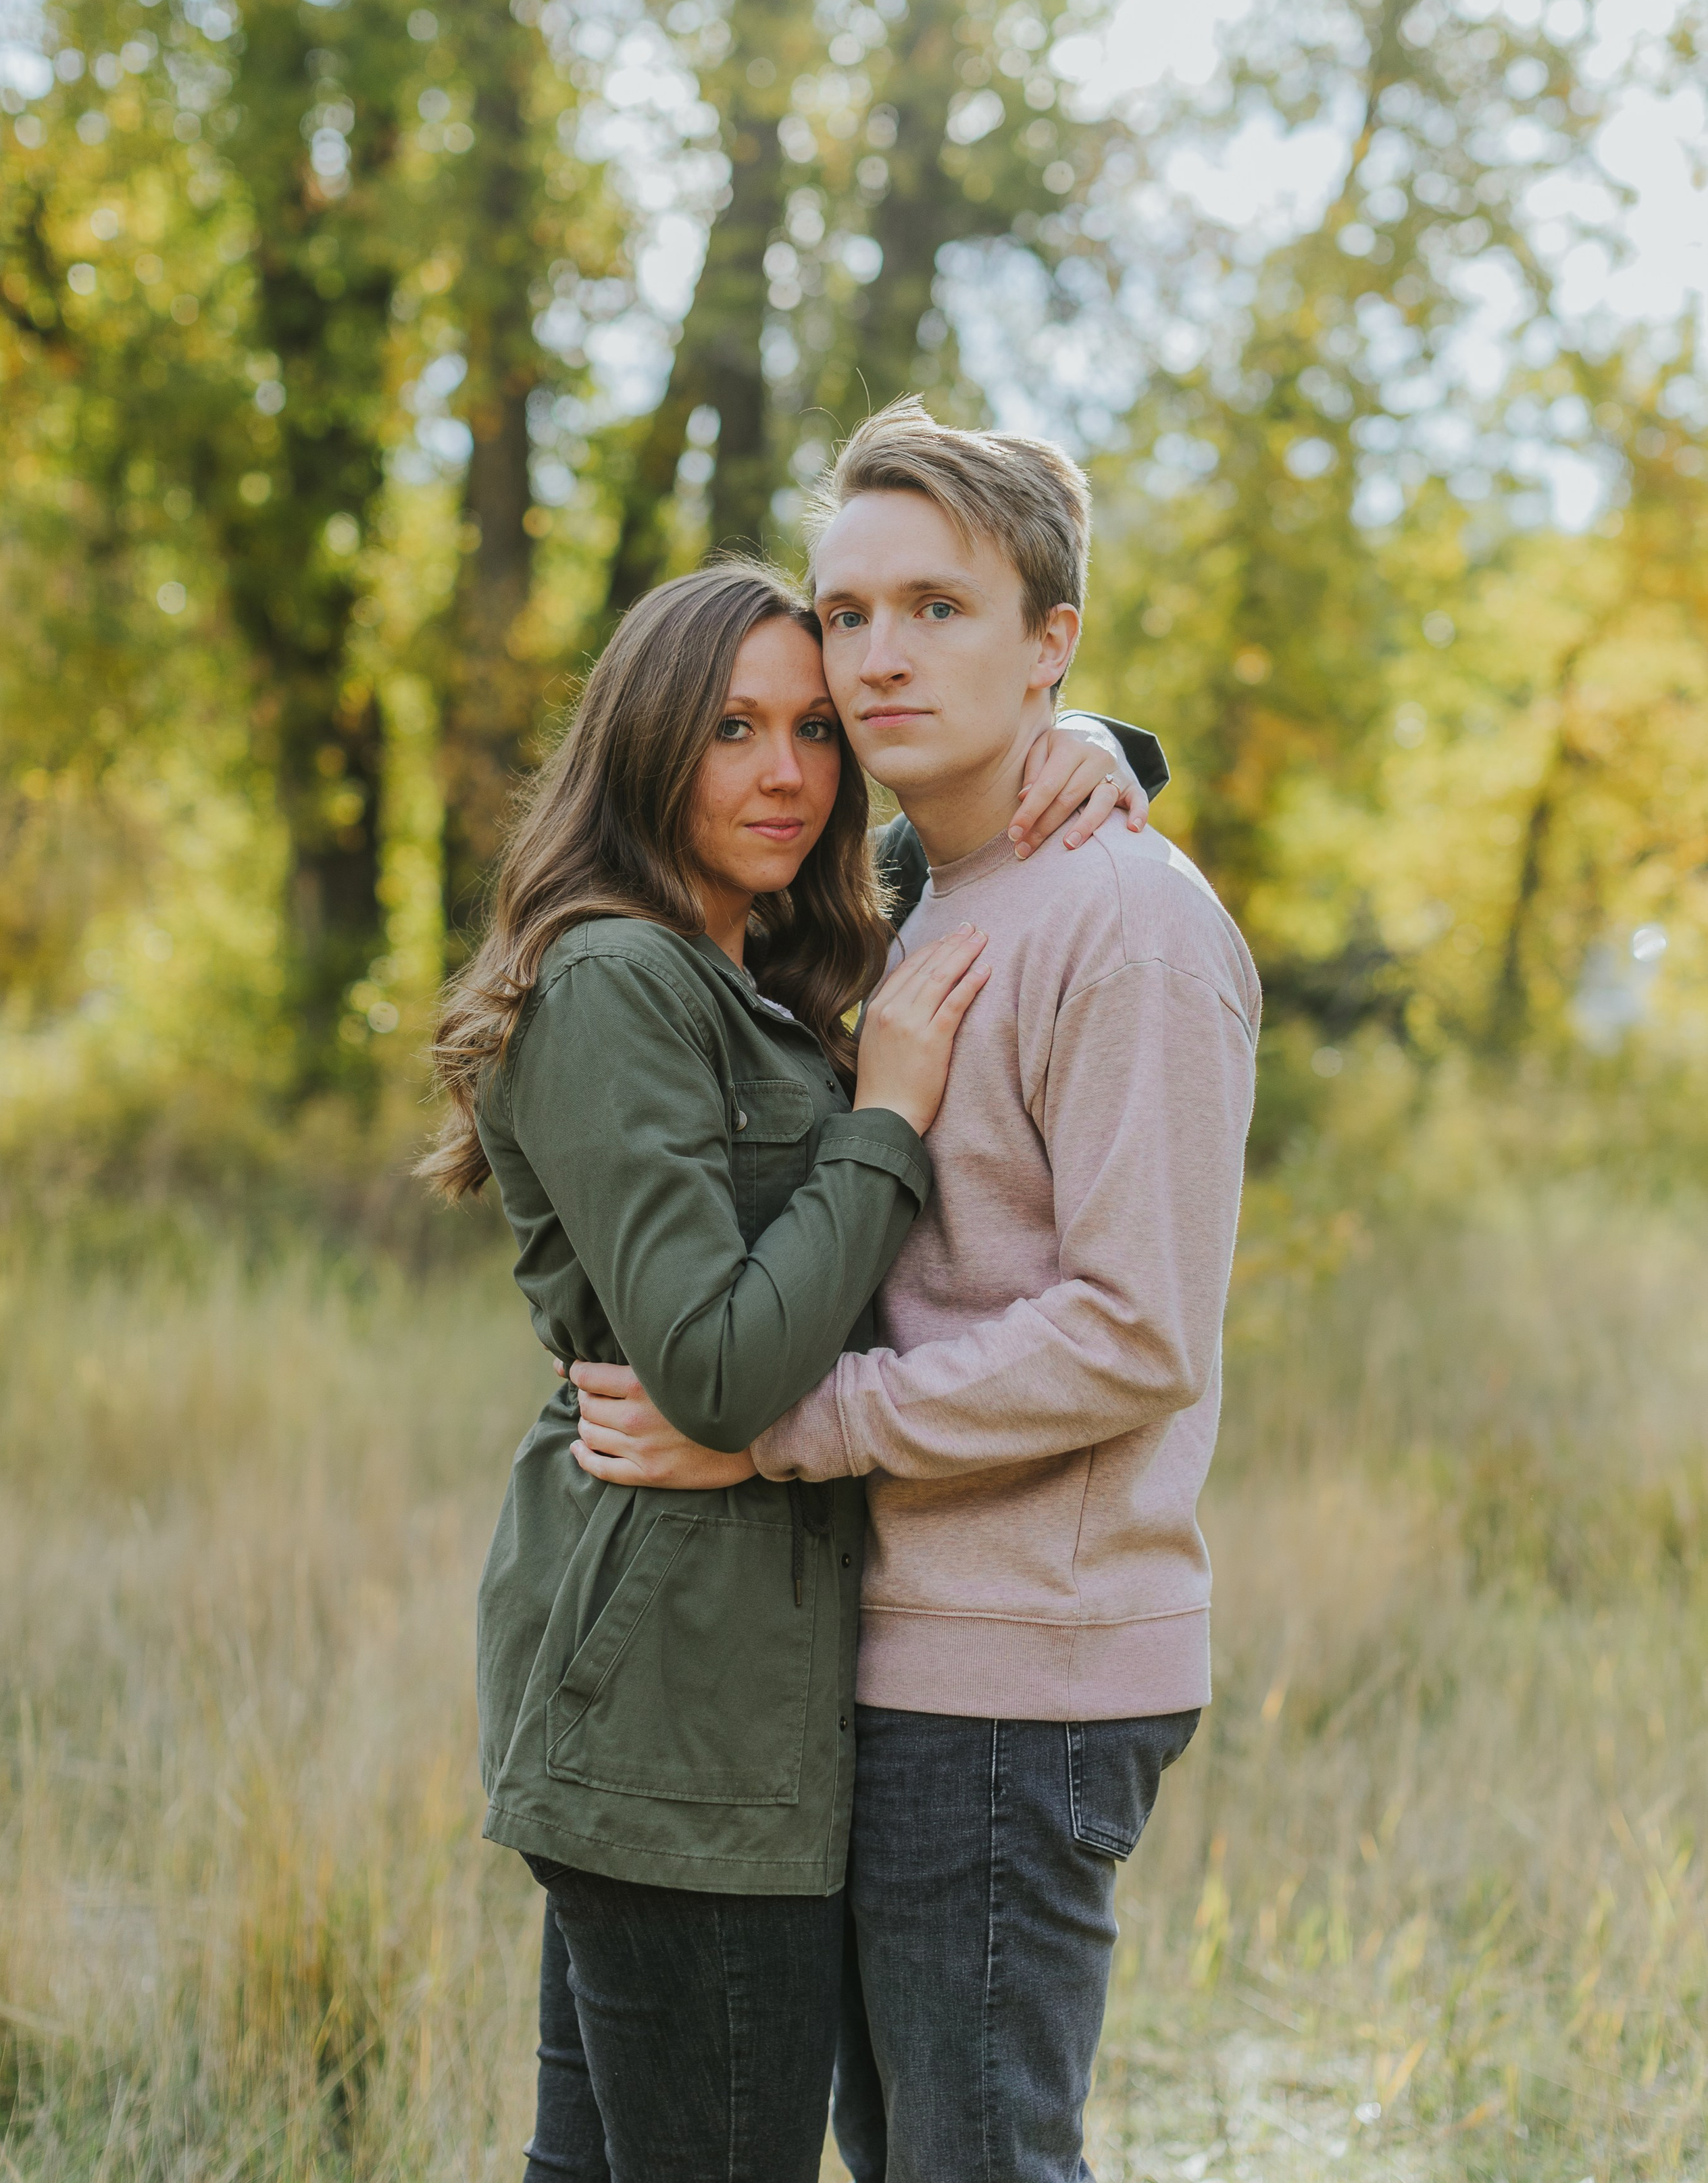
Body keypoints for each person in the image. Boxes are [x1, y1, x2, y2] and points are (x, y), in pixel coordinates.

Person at [572, 401, 1261, 2183]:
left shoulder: (1134, 927)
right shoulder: (917, 891)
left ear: (1052, 640)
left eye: (938, 608)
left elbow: (1136, 1328)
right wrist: (1093, 741)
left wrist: (784, 1434)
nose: (879, 655)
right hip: (901, 1653)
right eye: (850, 609)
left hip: (1026, 1670)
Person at [419, 559, 1155, 2183]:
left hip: (702, 1687)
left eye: (815, 730)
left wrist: (1090, 733)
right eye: (731, 727)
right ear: (642, 744)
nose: (784, 772)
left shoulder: (744, 954)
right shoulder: (619, 977)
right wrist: (883, 1115)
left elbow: (955, 805)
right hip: (684, 1694)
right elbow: (717, 1372)